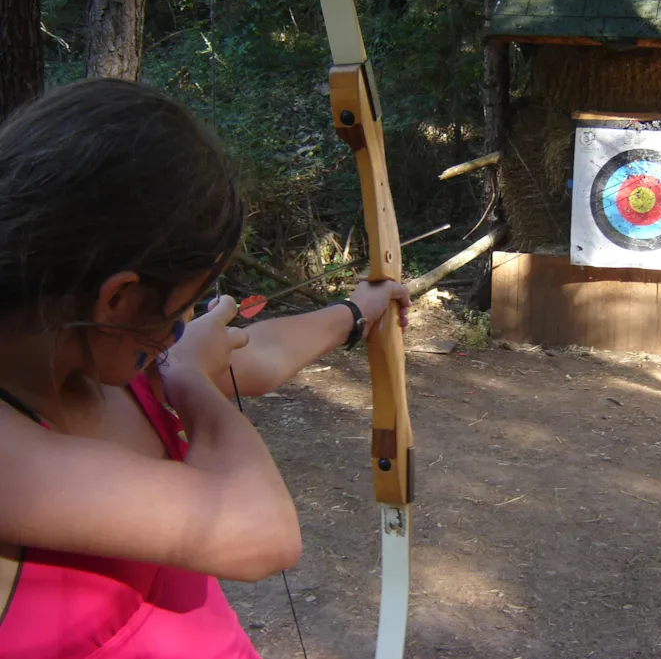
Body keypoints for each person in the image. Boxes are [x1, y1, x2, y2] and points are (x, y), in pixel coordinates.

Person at [0, 78, 411, 658]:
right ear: (117, 298)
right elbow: (262, 533)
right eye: (182, 305)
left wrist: (358, 310)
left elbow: (258, 356)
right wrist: (190, 377)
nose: (183, 326)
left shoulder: (90, 349)